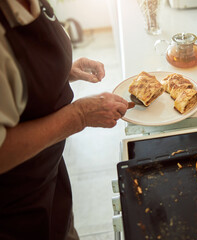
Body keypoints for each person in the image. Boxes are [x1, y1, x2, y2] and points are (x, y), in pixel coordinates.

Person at [0, 0, 133, 239]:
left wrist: (62, 71)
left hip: (48, 175)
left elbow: (15, 81)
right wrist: (79, 115)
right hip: (13, 210)